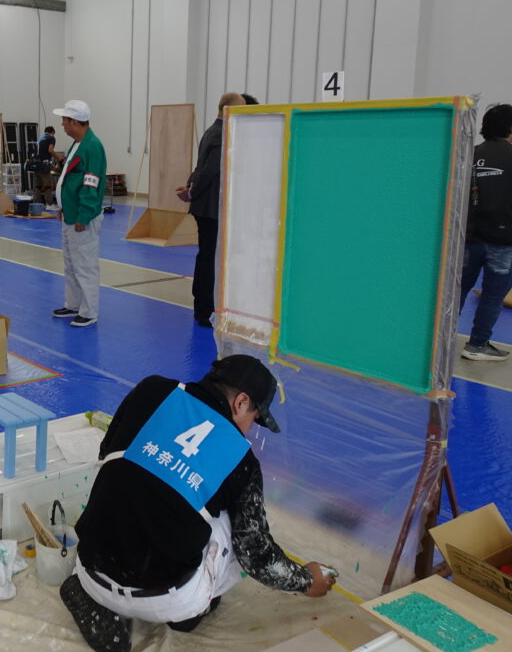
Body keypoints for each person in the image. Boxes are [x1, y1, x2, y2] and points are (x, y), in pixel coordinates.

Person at [61, 355, 336, 652]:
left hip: (90, 569)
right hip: (168, 601)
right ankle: (189, 613)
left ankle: (94, 597)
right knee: (231, 520)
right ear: (241, 402)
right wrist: (307, 580)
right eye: (254, 419)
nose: (249, 430)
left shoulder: (151, 390)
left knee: (124, 469)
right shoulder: (240, 459)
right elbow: (256, 556)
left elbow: (106, 451)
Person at [458, 104, 512, 361]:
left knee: (457, 290)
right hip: (502, 239)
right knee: (493, 295)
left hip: (467, 238)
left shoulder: (469, 154)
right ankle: (477, 345)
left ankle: (436, 343)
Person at [176, 92, 246, 327]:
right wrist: (192, 192)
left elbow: (200, 167)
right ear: (228, 109)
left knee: (205, 256)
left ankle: (201, 306)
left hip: (205, 206)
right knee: (209, 259)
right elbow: (210, 171)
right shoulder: (222, 134)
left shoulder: (211, 131)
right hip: (211, 208)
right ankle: (205, 309)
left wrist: (190, 188)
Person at [51, 100, 106, 328]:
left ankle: (89, 311)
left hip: (82, 218)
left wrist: (83, 216)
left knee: (84, 265)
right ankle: (73, 304)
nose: (62, 125)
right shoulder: (76, 144)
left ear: (75, 122)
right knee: (71, 264)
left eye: (64, 120)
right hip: (70, 215)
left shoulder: (92, 147)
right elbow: (70, 180)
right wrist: (64, 208)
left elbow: (91, 185)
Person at [33, 125, 63, 205]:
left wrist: (52, 165)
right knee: (47, 186)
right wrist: (59, 158)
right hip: (44, 166)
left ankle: (37, 204)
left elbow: (40, 154)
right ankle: (49, 204)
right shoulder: (51, 138)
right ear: (52, 132)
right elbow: (50, 150)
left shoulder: (39, 139)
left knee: (38, 186)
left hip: (35, 165)